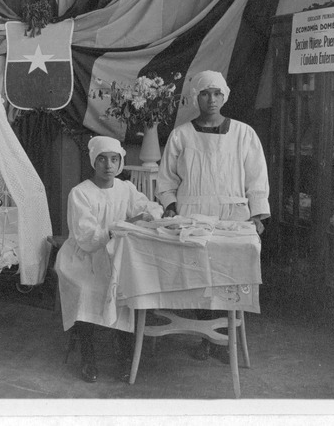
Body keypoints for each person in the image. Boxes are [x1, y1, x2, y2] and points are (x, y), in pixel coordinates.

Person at [156, 69, 270, 360]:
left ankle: (227, 336)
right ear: (196, 97)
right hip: (192, 216)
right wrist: (171, 206)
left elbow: (257, 179)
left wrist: (257, 215)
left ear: (225, 96)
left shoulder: (244, 134)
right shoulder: (181, 135)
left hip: (233, 216)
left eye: (217, 93)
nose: (211, 99)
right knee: (199, 276)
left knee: (229, 275)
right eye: (205, 93)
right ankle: (207, 334)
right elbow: (167, 180)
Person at [55, 136, 163, 383]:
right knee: (86, 290)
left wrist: (147, 215)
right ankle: (88, 354)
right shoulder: (80, 193)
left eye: (114, 159)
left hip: (117, 257)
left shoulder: (125, 188)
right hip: (83, 258)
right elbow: (87, 238)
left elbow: (150, 208)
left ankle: (124, 351)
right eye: (102, 159)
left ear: (120, 161)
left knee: (125, 289)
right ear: (94, 161)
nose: (108, 165)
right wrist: (124, 225)